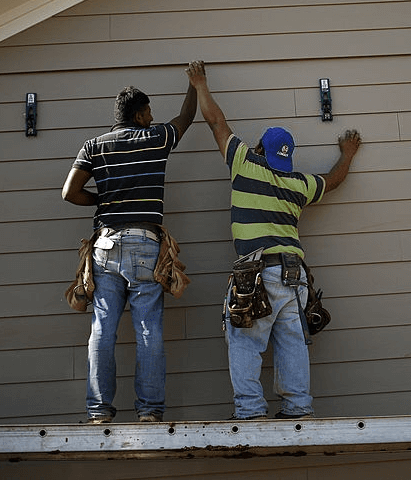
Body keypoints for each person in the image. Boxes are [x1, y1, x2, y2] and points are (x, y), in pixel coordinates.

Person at [185, 61, 361, 420]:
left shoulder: (245, 164)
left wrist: (200, 83)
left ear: (261, 150)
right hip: (294, 275)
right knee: (292, 342)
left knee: (245, 340)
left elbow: (217, 122)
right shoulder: (298, 185)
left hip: (257, 272)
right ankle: (298, 409)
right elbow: (333, 179)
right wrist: (348, 153)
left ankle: (250, 412)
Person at [61, 76, 197, 424]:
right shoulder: (154, 138)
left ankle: (98, 412)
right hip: (145, 244)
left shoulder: (94, 146)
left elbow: (69, 193)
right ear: (138, 115)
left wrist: (103, 200)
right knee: (148, 329)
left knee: (102, 330)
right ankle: (149, 412)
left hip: (105, 244)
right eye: (149, 113)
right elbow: (185, 118)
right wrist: (195, 85)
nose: (153, 118)